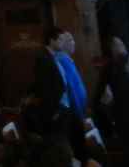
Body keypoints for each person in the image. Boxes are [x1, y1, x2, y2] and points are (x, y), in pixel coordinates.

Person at [29, 26, 85, 160]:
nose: (63, 42)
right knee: (64, 150)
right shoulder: (43, 58)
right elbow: (44, 88)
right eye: (60, 39)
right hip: (57, 112)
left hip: (64, 110)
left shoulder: (52, 57)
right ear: (51, 41)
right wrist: (55, 112)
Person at [56, 31, 87, 121]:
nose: (73, 43)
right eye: (70, 40)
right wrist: (80, 115)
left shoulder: (67, 60)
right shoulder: (63, 60)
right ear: (62, 44)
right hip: (75, 114)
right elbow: (71, 89)